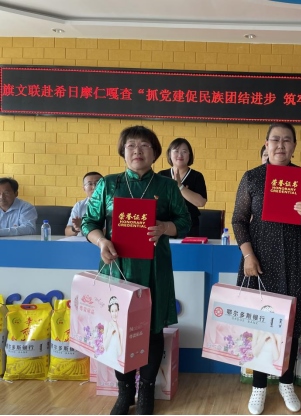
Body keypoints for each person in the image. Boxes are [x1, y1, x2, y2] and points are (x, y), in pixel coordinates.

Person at [81, 125, 191, 415]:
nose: (137, 151)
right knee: (118, 329)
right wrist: (101, 240)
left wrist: (166, 227)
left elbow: (185, 222)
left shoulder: (167, 186)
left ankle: (146, 391)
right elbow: (88, 222)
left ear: (155, 153)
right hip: (117, 267)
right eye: (131, 145)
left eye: (144, 146)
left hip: (155, 269)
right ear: (123, 151)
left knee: (153, 329)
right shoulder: (109, 184)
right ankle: (125, 391)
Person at [232, 122, 301, 415]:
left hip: (296, 258)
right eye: (275, 140)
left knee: (290, 326)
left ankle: (287, 382)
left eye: (287, 140)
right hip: (260, 260)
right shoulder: (253, 177)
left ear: (294, 146)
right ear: (266, 144)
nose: (281, 145)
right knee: (261, 324)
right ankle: (259, 386)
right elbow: (238, 220)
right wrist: (248, 256)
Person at [159, 138, 207, 237]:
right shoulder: (161, 175)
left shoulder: (196, 176)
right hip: (165, 225)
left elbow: (201, 202)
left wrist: (180, 186)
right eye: (176, 151)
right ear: (170, 154)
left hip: (190, 226)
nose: (180, 155)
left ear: (189, 155)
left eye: (184, 151)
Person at [65, 172, 103, 236]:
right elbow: (67, 232)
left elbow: (111, 232)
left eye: (97, 183)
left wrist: (84, 226)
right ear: (84, 189)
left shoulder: (111, 206)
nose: (94, 187)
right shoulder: (79, 206)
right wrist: (75, 228)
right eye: (90, 184)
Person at [103, 296, 123, 369]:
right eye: (112, 311)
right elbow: (105, 347)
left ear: (118, 311)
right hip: (105, 359)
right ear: (110, 312)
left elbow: (119, 352)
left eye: (116, 310)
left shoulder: (120, 330)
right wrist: (110, 333)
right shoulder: (107, 324)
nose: (114, 314)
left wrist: (117, 331)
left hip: (114, 361)